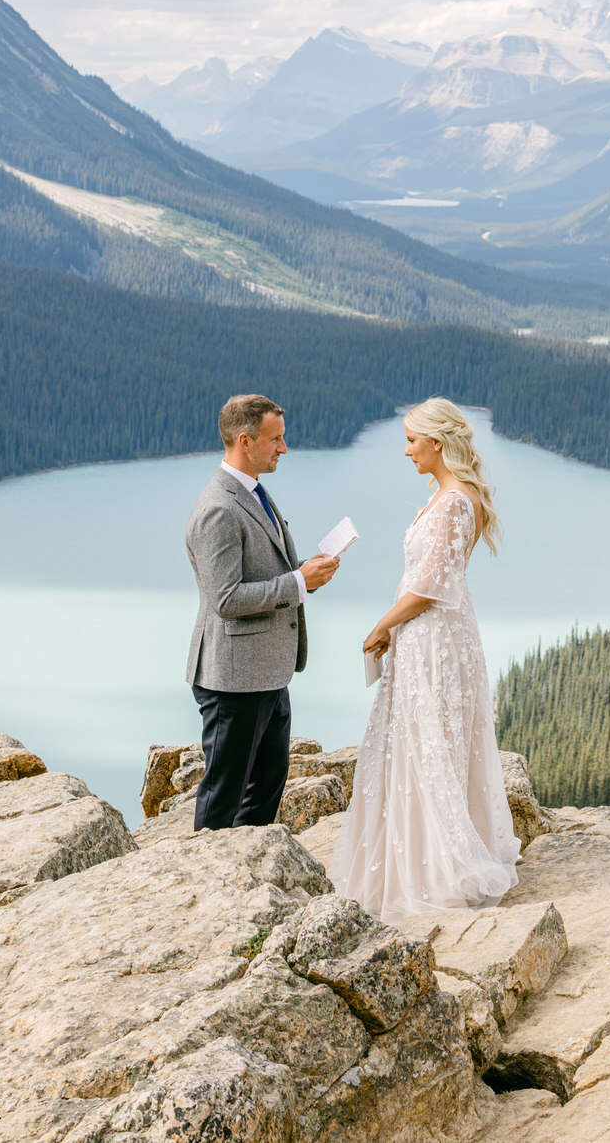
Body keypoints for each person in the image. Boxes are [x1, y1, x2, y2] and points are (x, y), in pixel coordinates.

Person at [329, 398, 519, 922]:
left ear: (438, 442)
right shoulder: (449, 495)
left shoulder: (456, 501)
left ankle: (434, 870)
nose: (406, 449)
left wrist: (382, 624)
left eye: (413, 439)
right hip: (429, 635)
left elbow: (433, 586)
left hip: (434, 638)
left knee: (428, 743)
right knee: (422, 742)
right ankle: (418, 859)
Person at [185, 393, 339, 831]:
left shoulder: (252, 492)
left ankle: (245, 873)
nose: (283, 448)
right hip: (233, 678)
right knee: (223, 795)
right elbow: (226, 599)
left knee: (267, 785)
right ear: (245, 440)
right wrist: (298, 583)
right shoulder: (218, 508)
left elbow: (261, 568)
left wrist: (306, 571)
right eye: (276, 440)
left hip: (267, 672)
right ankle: (207, 882)